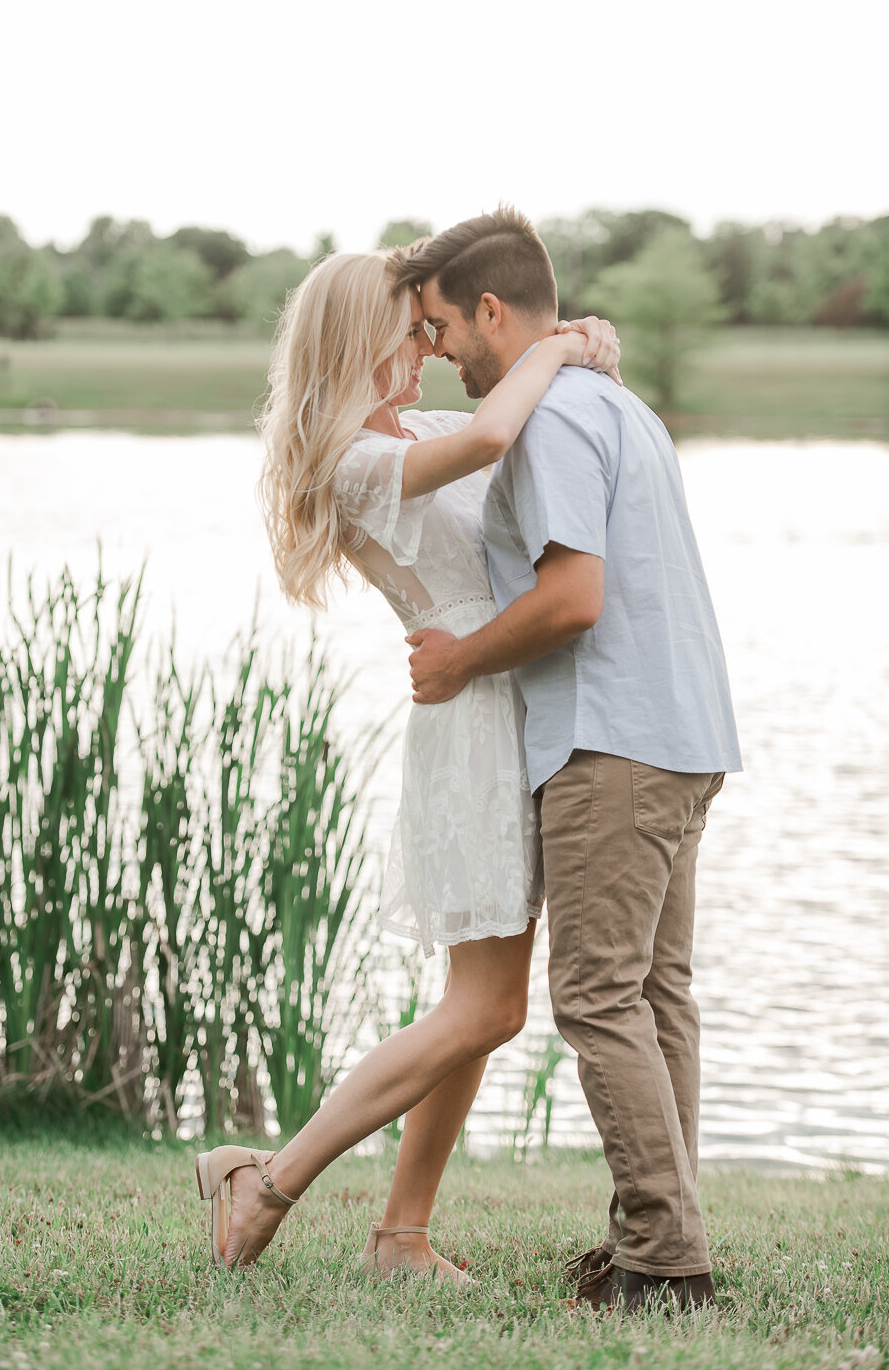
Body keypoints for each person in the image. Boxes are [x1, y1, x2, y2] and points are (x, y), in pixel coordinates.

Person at [194, 248, 621, 1279]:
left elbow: (513, 433)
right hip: (472, 718)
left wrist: (582, 351)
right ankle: (268, 1179)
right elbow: (491, 429)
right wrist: (562, 340)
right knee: (488, 1005)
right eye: (414, 332)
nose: (432, 350)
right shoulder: (351, 460)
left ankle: (402, 1234)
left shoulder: (411, 430)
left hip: (511, 701)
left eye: (437, 330)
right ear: (362, 339)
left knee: (481, 1002)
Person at [396, 208, 742, 1312]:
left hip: (613, 740)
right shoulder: (619, 404)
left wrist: (457, 661)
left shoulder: (547, 420)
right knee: (655, 995)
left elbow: (573, 596)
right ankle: (663, 1234)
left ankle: (664, 1260)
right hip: (684, 733)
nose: (441, 349)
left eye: (442, 324)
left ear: (491, 310)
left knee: (597, 993)